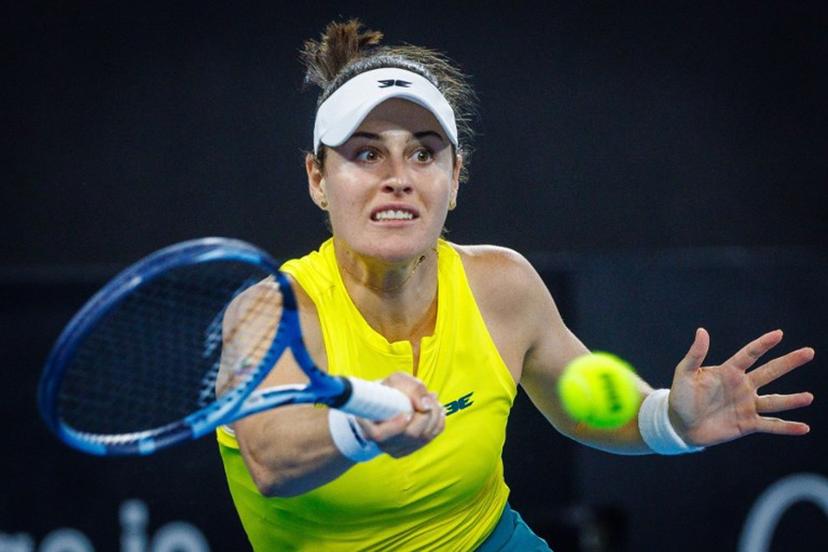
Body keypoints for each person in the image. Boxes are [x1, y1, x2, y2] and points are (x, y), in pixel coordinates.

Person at [216, 19, 815, 551]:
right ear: (318, 179)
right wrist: (358, 428)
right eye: (366, 155)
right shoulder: (271, 310)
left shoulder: (502, 284)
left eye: (424, 155)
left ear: (456, 177)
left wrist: (669, 420)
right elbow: (271, 457)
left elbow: (584, 399)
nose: (398, 178)